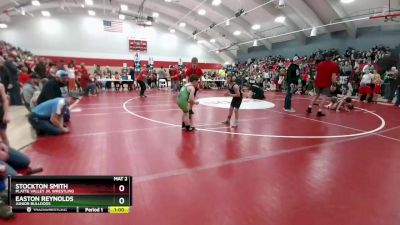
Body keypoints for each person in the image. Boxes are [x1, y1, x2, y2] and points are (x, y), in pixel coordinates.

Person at [307, 52, 339, 116]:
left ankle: (309, 108)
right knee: (324, 97)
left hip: (318, 82)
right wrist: (334, 85)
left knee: (316, 95)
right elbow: (333, 76)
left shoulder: (320, 64)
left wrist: (315, 81)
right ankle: (319, 111)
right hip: (326, 83)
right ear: (332, 57)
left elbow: (317, 74)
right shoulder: (334, 65)